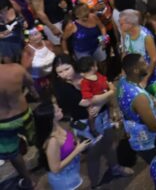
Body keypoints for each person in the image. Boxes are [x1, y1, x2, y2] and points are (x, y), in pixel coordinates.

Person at [52, 55, 133, 186]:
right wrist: (111, 92)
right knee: (94, 154)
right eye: (59, 72)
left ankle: (115, 168)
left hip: (103, 116)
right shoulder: (62, 88)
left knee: (110, 143)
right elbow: (87, 102)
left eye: (66, 69)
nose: (64, 74)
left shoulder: (86, 72)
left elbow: (105, 86)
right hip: (83, 123)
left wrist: (104, 100)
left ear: (73, 65)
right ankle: (94, 183)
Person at [34, 100, 92, 190]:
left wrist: (76, 144)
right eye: (57, 110)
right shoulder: (52, 141)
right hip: (65, 180)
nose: (61, 109)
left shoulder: (58, 126)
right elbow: (55, 169)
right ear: (51, 118)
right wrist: (77, 150)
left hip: (73, 170)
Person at [0, 61, 38, 189]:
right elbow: (31, 84)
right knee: (33, 137)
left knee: (13, 153)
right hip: (24, 115)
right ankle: (41, 155)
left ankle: (28, 180)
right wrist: (34, 93)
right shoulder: (16, 68)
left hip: (4, 123)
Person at [119, 9, 156, 101]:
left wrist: (145, 80)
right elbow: (125, 52)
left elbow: (154, 59)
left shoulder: (145, 36)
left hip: (150, 77)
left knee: (155, 101)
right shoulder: (125, 34)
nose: (120, 26)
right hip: (135, 76)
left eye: (121, 24)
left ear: (130, 23)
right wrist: (123, 71)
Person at [76, 55, 111, 139]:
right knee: (95, 118)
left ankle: (105, 126)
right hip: (95, 105)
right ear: (93, 67)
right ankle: (95, 131)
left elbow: (104, 81)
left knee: (104, 114)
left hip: (103, 102)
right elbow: (88, 97)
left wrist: (106, 88)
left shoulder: (97, 75)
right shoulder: (85, 82)